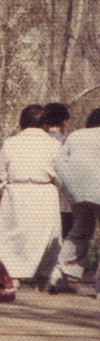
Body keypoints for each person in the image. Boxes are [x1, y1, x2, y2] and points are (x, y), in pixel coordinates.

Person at [0, 104, 64, 292]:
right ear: (45, 125)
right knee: (47, 237)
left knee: (12, 236)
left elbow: (0, 172)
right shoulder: (54, 144)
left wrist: (6, 188)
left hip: (16, 192)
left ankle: (12, 277)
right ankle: (43, 279)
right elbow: (61, 175)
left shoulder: (10, 143)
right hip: (44, 193)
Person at [54, 108, 100, 292]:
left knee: (80, 230)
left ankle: (61, 273)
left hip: (78, 191)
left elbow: (58, 162)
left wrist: (68, 185)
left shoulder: (75, 135)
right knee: (81, 229)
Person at [44, 102, 74, 242]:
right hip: (64, 205)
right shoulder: (68, 143)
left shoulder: (38, 141)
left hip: (40, 204)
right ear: (63, 123)